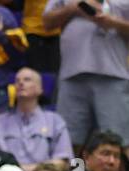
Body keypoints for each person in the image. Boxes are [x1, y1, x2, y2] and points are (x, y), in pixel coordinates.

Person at [43, 0, 129, 148]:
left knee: (117, 140)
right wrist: (73, 7)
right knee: (69, 141)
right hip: (71, 75)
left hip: (112, 75)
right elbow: (47, 21)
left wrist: (112, 22)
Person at [0, 68, 74, 171]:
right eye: (17, 81)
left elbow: (63, 162)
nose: (21, 83)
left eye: (27, 80)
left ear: (40, 89)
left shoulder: (55, 121)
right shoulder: (0, 121)